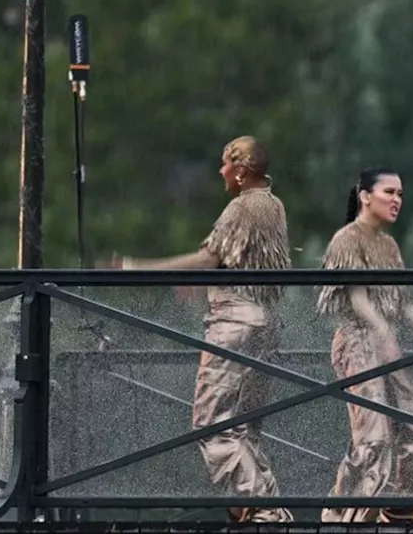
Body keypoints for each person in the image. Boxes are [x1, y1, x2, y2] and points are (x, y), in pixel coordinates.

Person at [109, 136, 291, 524]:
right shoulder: (273, 205)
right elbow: (238, 260)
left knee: (213, 427)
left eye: (226, 164)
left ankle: (265, 516)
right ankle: (267, 513)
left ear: (241, 171)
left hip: (234, 325)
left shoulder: (241, 206)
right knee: (243, 431)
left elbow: (211, 256)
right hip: (263, 322)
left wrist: (137, 267)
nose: (221, 171)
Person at [317, 168, 413, 524]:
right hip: (358, 342)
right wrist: (381, 330)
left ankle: (403, 518)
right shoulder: (347, 238)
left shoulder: (389, 245)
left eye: (400, 193)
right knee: (373, 440)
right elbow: (357, 294)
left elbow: (403, 305)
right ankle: (341, 520)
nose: (397, 200)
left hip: (386, 343)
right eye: (389, 192)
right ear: (365, 196)